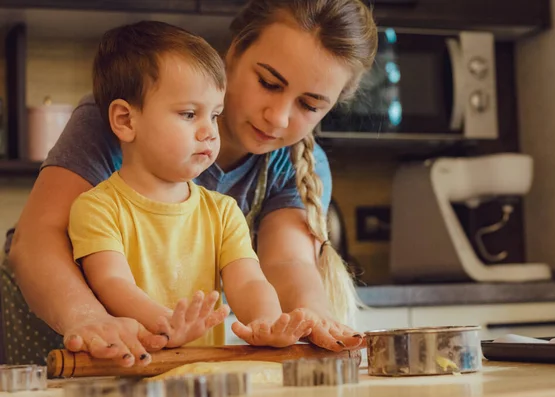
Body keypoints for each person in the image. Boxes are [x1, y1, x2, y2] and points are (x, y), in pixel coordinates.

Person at [4, 0, 378, 366]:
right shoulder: (125, 117)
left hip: (169, 360)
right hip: (52, 337)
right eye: (268, 82)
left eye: (309, 105)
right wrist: (85, 318)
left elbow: (287, 262)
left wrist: (310, 316)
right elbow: (37, 239)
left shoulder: (296, 165)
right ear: (232, 53)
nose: (278, 117)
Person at [65, 21, 316, 365]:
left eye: (214, 115)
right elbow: (111, 282)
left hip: (198, 375)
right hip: (119, 373)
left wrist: (267, 321)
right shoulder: (97, 207)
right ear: (125, 120)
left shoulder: (224, 212)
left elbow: (249, 283)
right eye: (188, 114)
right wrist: (164, 325)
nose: (210, 132)